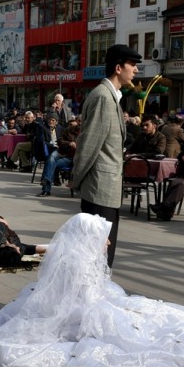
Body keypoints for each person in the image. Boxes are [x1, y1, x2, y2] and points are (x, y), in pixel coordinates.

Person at [0, 213, 184, 367]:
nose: (108, 242)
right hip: (80, 309)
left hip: (71, 303)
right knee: (136, 330)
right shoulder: (80, 261)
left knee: (139, 313)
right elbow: (89, 299)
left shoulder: (70, 253)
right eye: (102, 237)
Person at [71, 44, 142, 267]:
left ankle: (93, 296)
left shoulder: (112, 96)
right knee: (97, 256)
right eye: (133, 64)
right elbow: (89, 143)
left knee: (101, 255)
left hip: (106, 188)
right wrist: (76, 179)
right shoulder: (103, 96)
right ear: (119, 68)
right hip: (99, 189)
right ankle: (88, 299)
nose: (136, 70)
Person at [37, 124, 78, 197]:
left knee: (50, 163)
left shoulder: (86, 132)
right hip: (64, 154)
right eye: (78, 121)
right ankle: (46, 189)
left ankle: (45, 182)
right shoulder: (69, 130)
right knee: (51, 161)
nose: (79, 123)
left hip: (75, 160)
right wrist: (69, 143)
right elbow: (59, 140)